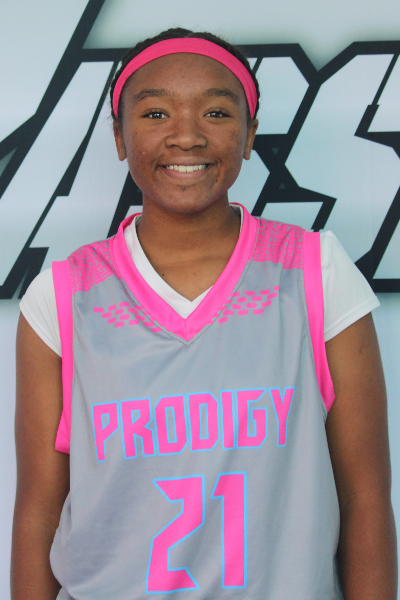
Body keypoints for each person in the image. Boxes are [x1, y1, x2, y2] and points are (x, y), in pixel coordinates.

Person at [11, 28, 397, 600]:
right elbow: (39, 513)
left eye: (216, 112)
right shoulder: (62, 296)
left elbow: (364, 497)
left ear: (249, 134)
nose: (187, 135)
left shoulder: (315, 271)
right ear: (118, 136)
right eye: (155, 113)